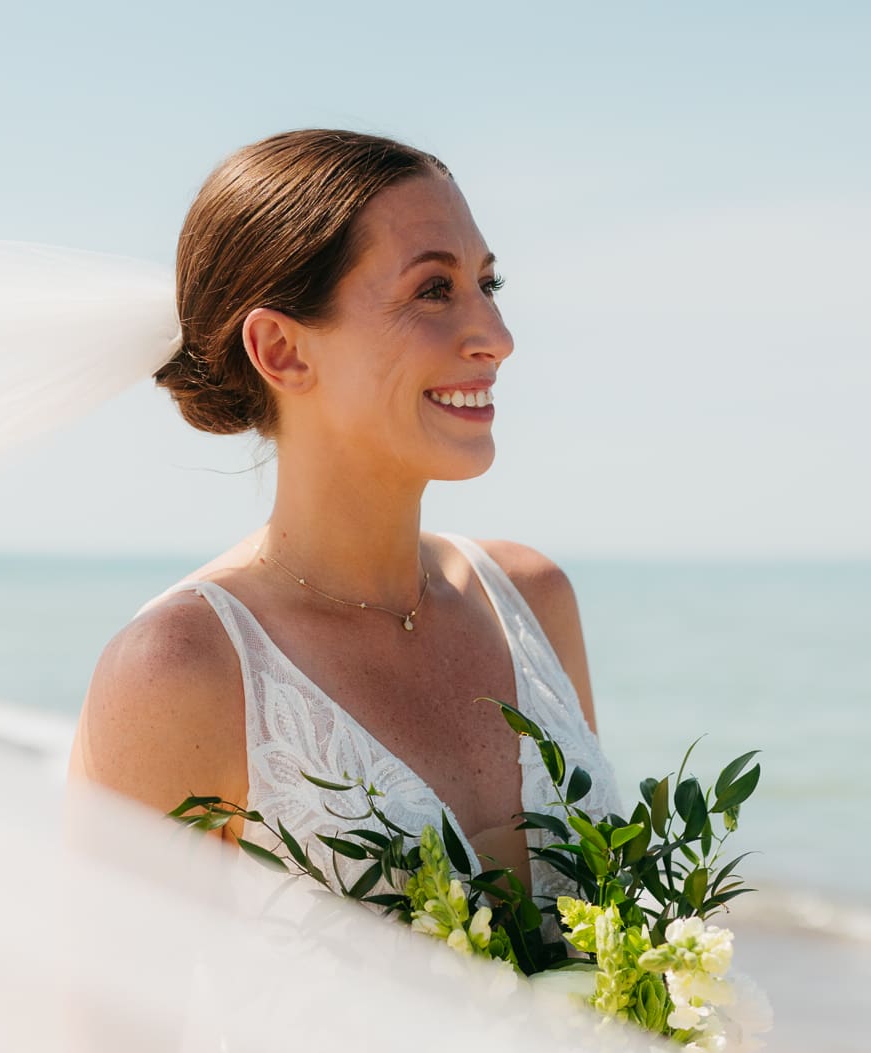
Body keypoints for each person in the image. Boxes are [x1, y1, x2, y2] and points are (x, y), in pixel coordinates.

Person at [67, 129, 623, 923]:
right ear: (282, 350)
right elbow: (121, 1040)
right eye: (435, 290)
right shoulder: (182, 672)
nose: (496, 338)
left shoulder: (533, 601)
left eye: (488, 284)